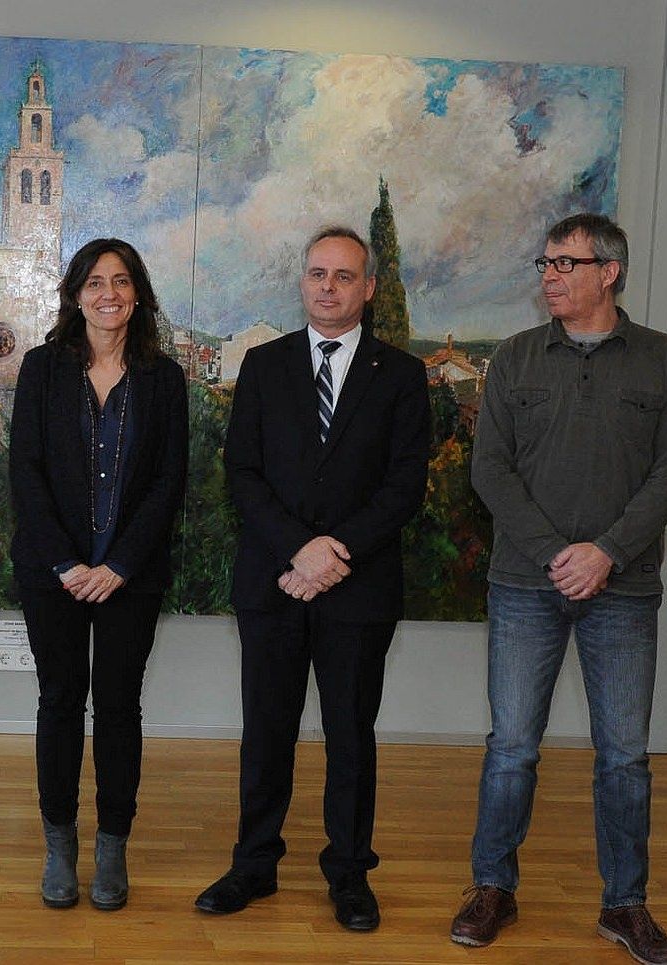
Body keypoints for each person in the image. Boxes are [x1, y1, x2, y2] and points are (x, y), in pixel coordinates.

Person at [451, 213, 667, 965]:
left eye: (564, 263)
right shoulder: (516, 359)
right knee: (511, 747)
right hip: (524, 584)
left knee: (622, 754)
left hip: (623, 591)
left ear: (608, 271)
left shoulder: (664, 360)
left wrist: (607, 553)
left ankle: (624, 905)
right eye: (544, 263)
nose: (549, 276)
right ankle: (492, 886)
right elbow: (490, 469)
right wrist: (560, 552)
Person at [196, 226, 431, 931]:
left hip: (358, 588)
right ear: (302, 282)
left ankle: (350, 873)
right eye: (316, 273)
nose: (327, 285)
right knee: (265, 729)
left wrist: (333, 554)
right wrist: (300, 550)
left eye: (343, 275)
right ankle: (253, 864)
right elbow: (242, 472)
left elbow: (403, 486)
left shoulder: (402, 374)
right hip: (272, 579)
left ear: (367, 288)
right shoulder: (263, 367)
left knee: (349, 734)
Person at [9, 238, 188, 911]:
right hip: (51, 571)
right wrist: (66, 561)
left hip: (130, 575)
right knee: (58, 701)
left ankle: (111, 847)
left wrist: (117, 563)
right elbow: (23, 471)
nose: (106, 293)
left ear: (137, 293)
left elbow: (170, 480)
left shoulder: (163, 379)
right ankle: (59, 847)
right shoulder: (40, 368)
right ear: (74, 293)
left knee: (117, 706)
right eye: (93, 281)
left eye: (119, 281)